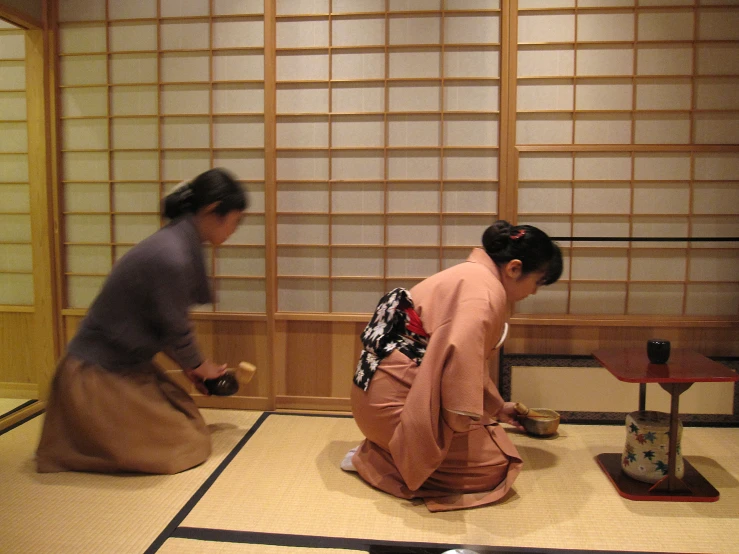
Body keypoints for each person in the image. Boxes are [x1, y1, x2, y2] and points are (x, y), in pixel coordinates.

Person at [36, 168, 248, 474]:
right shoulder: (172, 254)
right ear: (213, 211)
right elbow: (176, 327)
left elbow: (166, 325)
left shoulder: (179, 242)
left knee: (187, 420)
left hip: (126, 365)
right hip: (96, 374)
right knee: (186, 445)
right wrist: (201, 366)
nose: (233, 230)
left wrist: (194, 367)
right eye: (235, 221)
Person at [345, 221, 563, 511]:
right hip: (394, 410)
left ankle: (379, 450)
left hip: (372, 401)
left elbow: (461, 364)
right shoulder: (483, 292)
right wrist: (466, 425)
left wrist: (496, 408)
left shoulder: (470, 276)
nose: (534, 292)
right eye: (537, 282)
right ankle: (380, 460)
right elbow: (461, 361)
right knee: (496, 467)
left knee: (486, 429)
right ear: (514, 268)